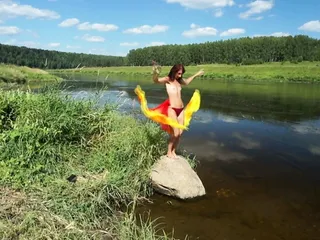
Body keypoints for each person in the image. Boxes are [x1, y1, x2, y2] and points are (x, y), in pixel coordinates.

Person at [150, 61, 204, 158]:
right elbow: (156, 81)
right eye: (178, 73)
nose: (180, 75)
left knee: (180, 133)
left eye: (181, 73)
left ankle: (173, 151)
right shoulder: (167, 80)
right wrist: (155, 73)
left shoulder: (179, 81)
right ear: (174, 71)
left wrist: (196, 74)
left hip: (181, 109)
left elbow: (187, 82)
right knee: (176, 132)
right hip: (172, 109)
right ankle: (168, 152)